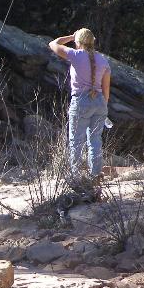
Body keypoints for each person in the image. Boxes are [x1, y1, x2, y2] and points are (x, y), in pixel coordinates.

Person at [48, 28, 111, 181]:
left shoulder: (75, 55)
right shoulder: (103, 60)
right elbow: (106, 90)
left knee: (76, 141)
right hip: (100, 102)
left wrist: (71, 36)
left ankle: (75, 177)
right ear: (93, 42)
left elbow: (53, 44)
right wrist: (103, 106)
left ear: (78, 42)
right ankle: (96, 175)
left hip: (81, 101)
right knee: (95, 140)